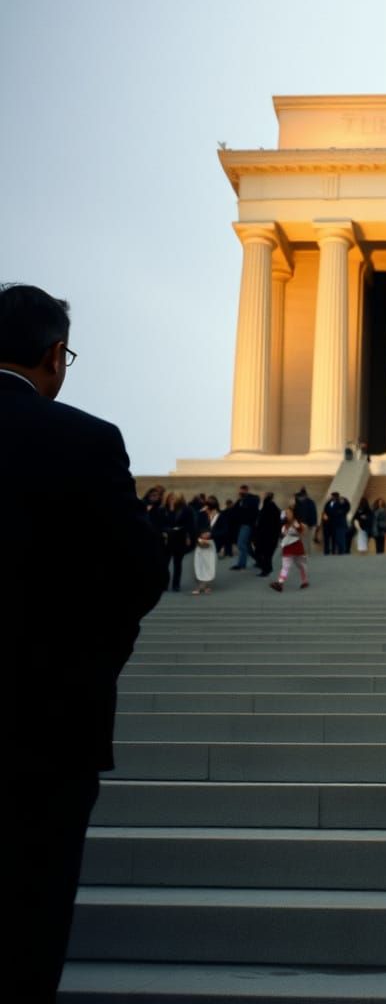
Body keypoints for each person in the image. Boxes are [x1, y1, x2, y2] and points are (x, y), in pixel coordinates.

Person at [1, 284, 165, 1001]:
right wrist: (95, 657)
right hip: (46, 721)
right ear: (52, 356)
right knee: (26, 920)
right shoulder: (83, 440)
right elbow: (139, 573)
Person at [159, 491, 195, 592]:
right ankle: (164, 584)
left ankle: (176, 585)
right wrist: (165, 530)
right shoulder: (162, 510)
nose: (172, 499)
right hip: (166, 539)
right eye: (170, 498)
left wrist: (188, 536)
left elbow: (190, 524)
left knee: (177, 563)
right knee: (165, 563)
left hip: (179, 538)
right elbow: (159, 523)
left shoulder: (186, 510)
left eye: (174, 498)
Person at [270, 505, 309, 591]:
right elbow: (282, 534)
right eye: (286, 513)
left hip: (297, 548)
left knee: (302, 566)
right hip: (287, 548)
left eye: (289, 513)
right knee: (285, 566)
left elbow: (302, 532)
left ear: (293, 513)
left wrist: (297, 526)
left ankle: (305, 581)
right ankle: (280, 583)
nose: (287, 514)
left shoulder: (297, 523)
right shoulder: (284, 524)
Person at [192, 495, 220, 594]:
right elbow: (195, 526)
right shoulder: (201, 514)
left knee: (209, 564)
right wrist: (201, 534)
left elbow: (224, 530)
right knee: (199, 564)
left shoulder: (219, 515)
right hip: (200, 541)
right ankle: (200, 585)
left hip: (211, 542)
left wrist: (211, 534)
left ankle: (205, 585)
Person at [229, 484, 259, 569]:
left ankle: (241, 564)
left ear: (246, 490)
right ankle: (259, 561)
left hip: (247, 525)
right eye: (240, 490)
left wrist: (243, 500)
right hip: (241, 525)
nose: (240, 492)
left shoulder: (252, 498)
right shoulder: (240, 500)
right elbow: (234, 511)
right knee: (248, 546)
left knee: (241, 544)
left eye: (242, 490)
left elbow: (252, 508)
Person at [253, 491, 280, 576]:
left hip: (266, 535)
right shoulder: (273, 507)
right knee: (267, 553)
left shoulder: (267, 506)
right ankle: (267, 568)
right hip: (271, 535)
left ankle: (266, 570)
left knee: (263, 553)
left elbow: (263, 521)